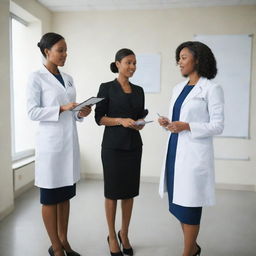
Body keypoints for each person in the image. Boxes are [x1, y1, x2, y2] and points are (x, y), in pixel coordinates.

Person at [27, 32, 91, 256]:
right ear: (47, 52)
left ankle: (64, 241)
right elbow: (32, 112)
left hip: (68, 144)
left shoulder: (69, 78)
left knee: (65, 197)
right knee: (50, 199)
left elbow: (73, 114)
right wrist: (62, 108)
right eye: (60, 50)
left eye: (66, 50)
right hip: (50, 147)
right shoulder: (36, 77)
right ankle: (55, 246)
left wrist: (81, 112)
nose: (65, 54)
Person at [158, 41, 224, 256]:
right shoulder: (178, 88)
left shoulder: (212, 89)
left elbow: (217, 125)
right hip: (175, 152)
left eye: (184, 57)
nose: (179, 61)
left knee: (190, 207)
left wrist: (187, 126)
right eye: (179, 57)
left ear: (197, 59)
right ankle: (193, 248)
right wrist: (169, 123)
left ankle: (188, 253)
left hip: (194, 156)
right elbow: (179, 120)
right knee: (179, 205)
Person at [95, 48, 148, 256]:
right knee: (112, 193)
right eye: (128, 62)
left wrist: (140, 123)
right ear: (118, 64)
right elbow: (99, 118)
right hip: (113, 147)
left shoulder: (139, 90)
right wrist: (120, 121)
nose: (132, 67)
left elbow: (139, 117)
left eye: (135, 63)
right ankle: (111, 235)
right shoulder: (106, 88)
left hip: (134, 146)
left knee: (129, 193)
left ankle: (124, 233)